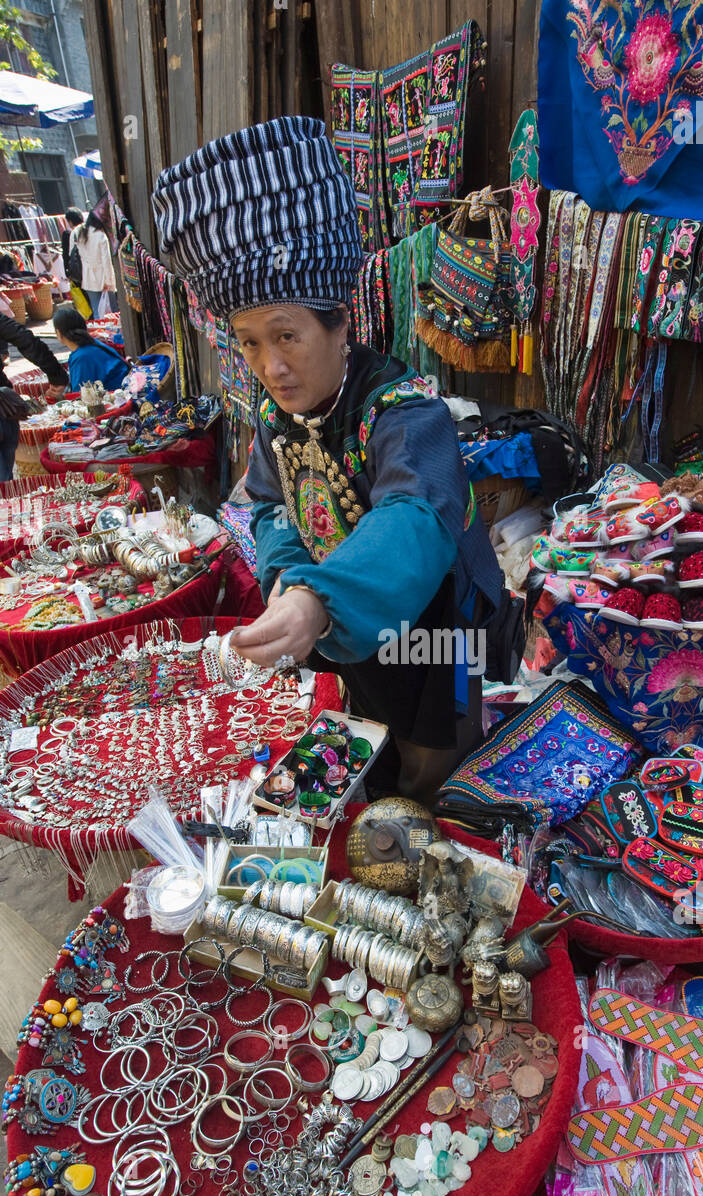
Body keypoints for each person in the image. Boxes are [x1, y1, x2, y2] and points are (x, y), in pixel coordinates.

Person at [153, 115, 520, 804]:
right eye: (250, 343)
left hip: (434, 620)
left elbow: (418, 514)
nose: (270, 366)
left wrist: (320, 600)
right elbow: (267, 503)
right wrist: (295, 582)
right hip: (346, 612)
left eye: (286, 336)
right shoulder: (275, 416)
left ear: (339, 321)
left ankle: (426, 821)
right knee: (364, 724)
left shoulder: (407, 411)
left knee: (435, 752)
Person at [0, 313, 68, 481]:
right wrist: (57, 375)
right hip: (3, 409)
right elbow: (24, 338)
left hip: (4, 408)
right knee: (4, 482)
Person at [51, 304, 128, 392]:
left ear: (59, 333)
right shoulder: (92, 344)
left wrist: (61, 397)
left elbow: (80, 397)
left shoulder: (81, 357)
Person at [69, 210, 117, 316]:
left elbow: (71, 254)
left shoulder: (77, 232)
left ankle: (101, 331)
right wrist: (109, 281)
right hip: (102, 277)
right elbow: (106, 260)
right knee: (111, 311)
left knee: (97, 310)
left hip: (87, 278)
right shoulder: (100, 235)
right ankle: (115, 332)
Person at [61, 206, 84, 280]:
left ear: (70, 221)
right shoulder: (89, 230)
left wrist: (67, 272)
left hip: (77, 272)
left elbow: (66, 254)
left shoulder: (68, 234)